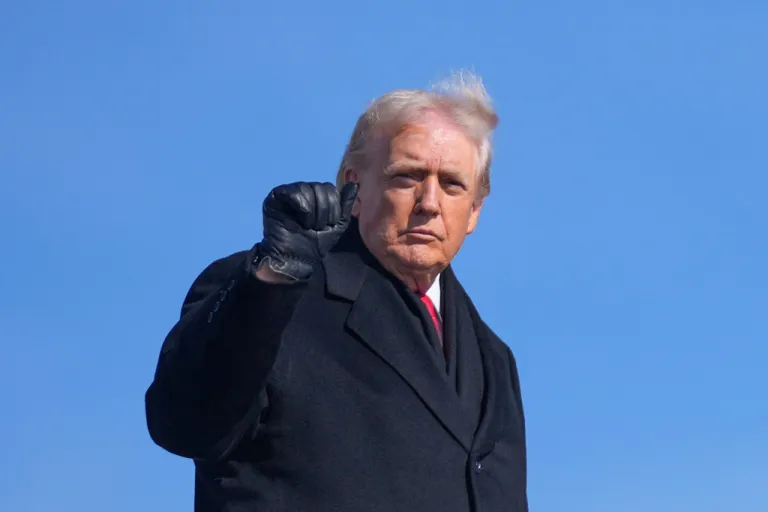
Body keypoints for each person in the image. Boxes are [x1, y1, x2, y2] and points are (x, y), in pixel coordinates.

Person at [145, 70, 528, 512]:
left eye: (452, 184)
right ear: (353, 185)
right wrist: (270, 280)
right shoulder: (271, 291)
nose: (429, 203)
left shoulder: (494, 359)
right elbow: (186, 425)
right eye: (407, 176)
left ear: (475, 210)